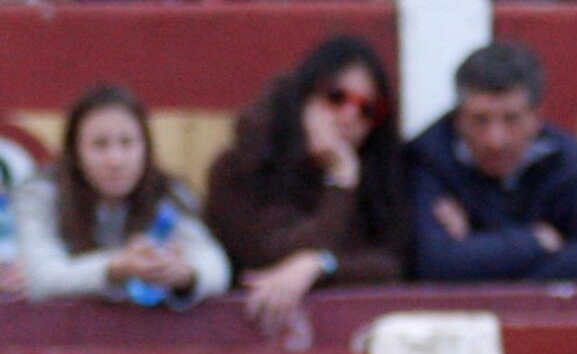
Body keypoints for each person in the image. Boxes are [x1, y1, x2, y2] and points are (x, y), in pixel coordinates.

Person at [205, 32, 407, 336]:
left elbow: (392, 263)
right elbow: (268, 255)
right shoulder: (242, 166)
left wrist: (320, 266)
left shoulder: (377, 170)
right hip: (238, 336)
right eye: (337, 97)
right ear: (304, 97)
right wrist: (339, 184)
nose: (349, 116)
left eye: (368, 109)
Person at [407, 40, 577, 287]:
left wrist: (481, 254)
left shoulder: (561, 156)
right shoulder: (429, 157)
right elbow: (436, 265)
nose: (495, 140)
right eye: (480, 120)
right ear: (458, 118)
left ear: (536, 116)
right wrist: (535, 242)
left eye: (511, 119)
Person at [12, 82, 229, 304]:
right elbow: (41, 278)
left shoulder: (166, 192)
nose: (115, 160)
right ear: (75, 153)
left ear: (146, 148)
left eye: (127, 143)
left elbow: (216, 267)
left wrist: (182, 274)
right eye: (99, 145)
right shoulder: (41, 195)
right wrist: (116, 266)